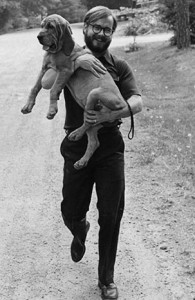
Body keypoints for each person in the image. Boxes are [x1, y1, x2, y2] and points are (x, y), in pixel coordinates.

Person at [60, 6, 143, 300]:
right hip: (75, 144)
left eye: (108, 29)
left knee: (111, 214)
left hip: (109, 147)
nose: (102, 34)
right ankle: (78, 227)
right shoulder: (70, 59)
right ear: (85, 28)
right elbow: (49, 72)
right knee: (70, 209)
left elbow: (137, 100)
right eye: (97, 27)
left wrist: (109, 117)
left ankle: (106, 279)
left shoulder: (118, 66)